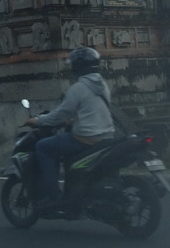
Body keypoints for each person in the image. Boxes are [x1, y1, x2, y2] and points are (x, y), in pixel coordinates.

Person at [27, 46, 116, 212]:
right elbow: (92, 110)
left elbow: (59, 114)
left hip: (85, 139)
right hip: (107, 137)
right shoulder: (103, 85)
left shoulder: (78, 88)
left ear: (78, 67)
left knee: (43, 147)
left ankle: (53, 195)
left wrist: (38, 121)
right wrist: (74, 120)